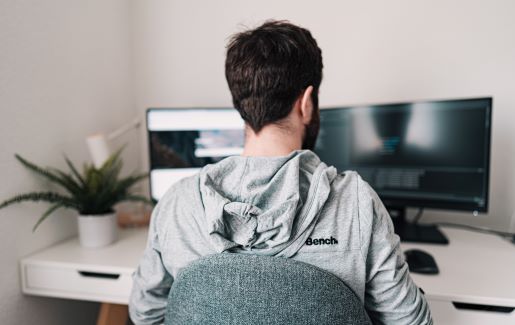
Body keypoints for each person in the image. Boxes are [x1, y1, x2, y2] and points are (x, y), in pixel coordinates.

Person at [129, 20, 433, 325]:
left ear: (241, 106)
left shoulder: (176, 204)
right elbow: (410, 322)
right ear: (306, 103)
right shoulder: (355, 203)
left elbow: (146, 315)